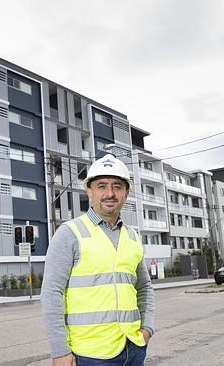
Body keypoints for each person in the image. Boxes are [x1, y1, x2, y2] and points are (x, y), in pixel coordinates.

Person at [41, 154, 155, 366]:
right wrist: (60, 351)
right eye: (102, 186)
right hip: (89, 355)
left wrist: (147, 329)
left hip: (133, 349)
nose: (110, 193)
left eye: (117, 186)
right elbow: (51, 294)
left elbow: (144, 287)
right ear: (89, 191)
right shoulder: (69, 233)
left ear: (126, 193)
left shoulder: (132, 236)